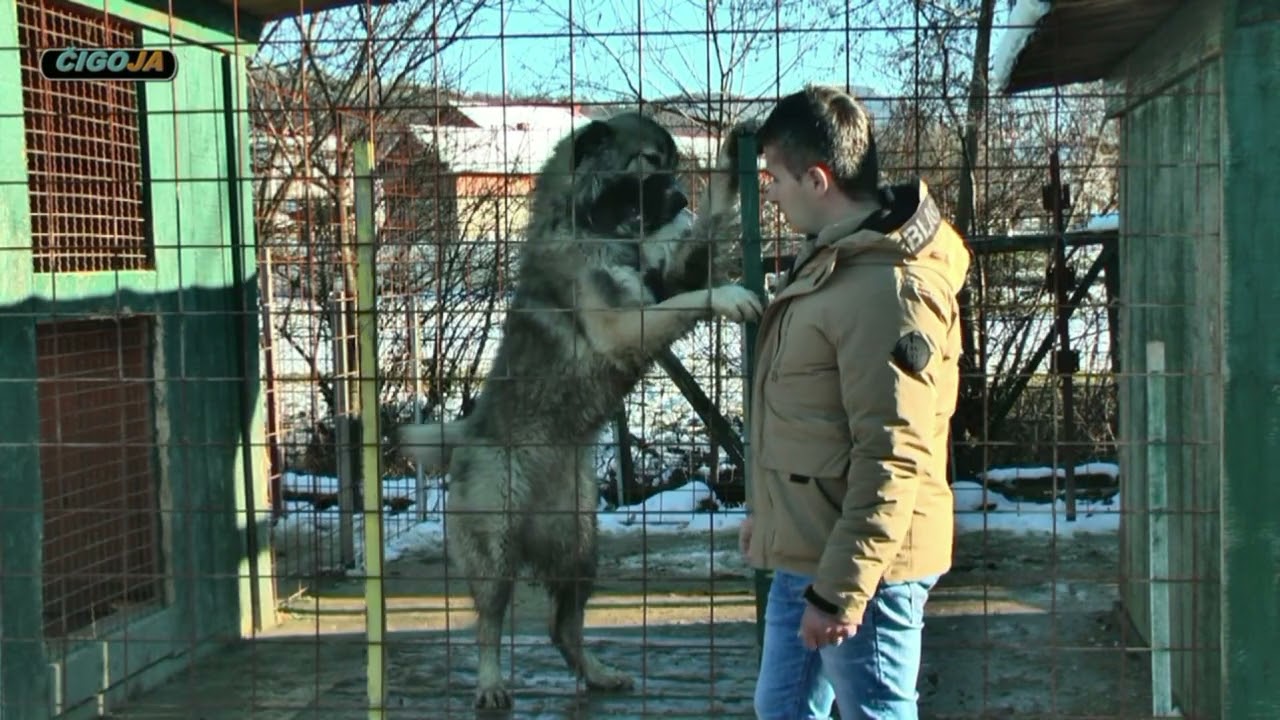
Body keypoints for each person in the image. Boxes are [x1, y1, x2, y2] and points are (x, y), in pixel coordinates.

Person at [738, 84, 971, 719]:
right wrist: (771, 513)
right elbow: (807, 415)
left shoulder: (887, 289)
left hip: (867, 570)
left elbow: (893, 456)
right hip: (807, 552)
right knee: (781, 709)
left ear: (817, 180)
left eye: (776, 179)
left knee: (875, 711)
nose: (773, 194)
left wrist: (841, 591)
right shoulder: (836, 262)